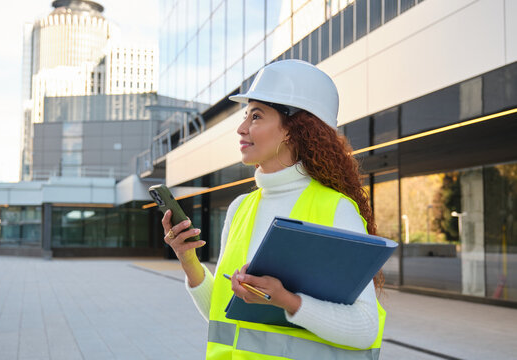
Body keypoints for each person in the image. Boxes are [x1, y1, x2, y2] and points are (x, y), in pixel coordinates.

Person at [162, 59, 386, 359]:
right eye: (246, 116)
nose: (241, 128)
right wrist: (188, 259)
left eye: (256, 116)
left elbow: (365, 329)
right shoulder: (240, 208)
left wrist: (287, 301)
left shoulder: (336, 209)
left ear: (292, 131)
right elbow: (224, 318)